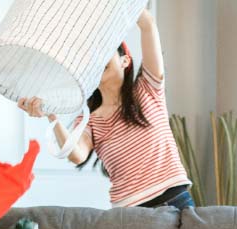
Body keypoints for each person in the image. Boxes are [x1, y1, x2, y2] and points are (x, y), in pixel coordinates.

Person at [17, 8, 194, 210]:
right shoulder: (89, 120)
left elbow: (148, 24)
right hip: (130, 212)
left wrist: (117, 6)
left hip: (175, 197)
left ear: (125, 60)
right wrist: (51, 115)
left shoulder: (147, 89)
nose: (97, 60)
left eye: (103, 52)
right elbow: (76, 154)